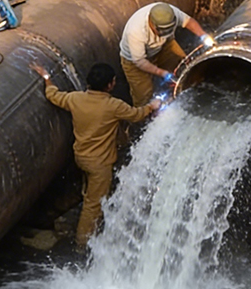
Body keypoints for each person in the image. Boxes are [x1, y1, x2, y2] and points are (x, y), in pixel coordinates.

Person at [33, 62, 158, 247]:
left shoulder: (75, 98)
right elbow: (137, 115)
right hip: (100, 164)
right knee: (93, 205)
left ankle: (82, 224)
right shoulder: (113, 105)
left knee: (89, 192)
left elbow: (53, 95)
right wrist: (153, 106)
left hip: (81, 157)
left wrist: (47, 78)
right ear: (110, 85)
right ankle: (82, 244)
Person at [119, 2, 208, 106]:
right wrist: (162, 73)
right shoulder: (135, 32)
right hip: (135, 61)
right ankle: (147, 120)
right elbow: (139, 61)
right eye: (163, 31)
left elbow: (188, 22)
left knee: (185, 68)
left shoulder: (170, 13)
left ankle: (184, 95)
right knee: (144, 98)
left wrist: (203, 36)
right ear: (153, 25)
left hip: (163, 46)